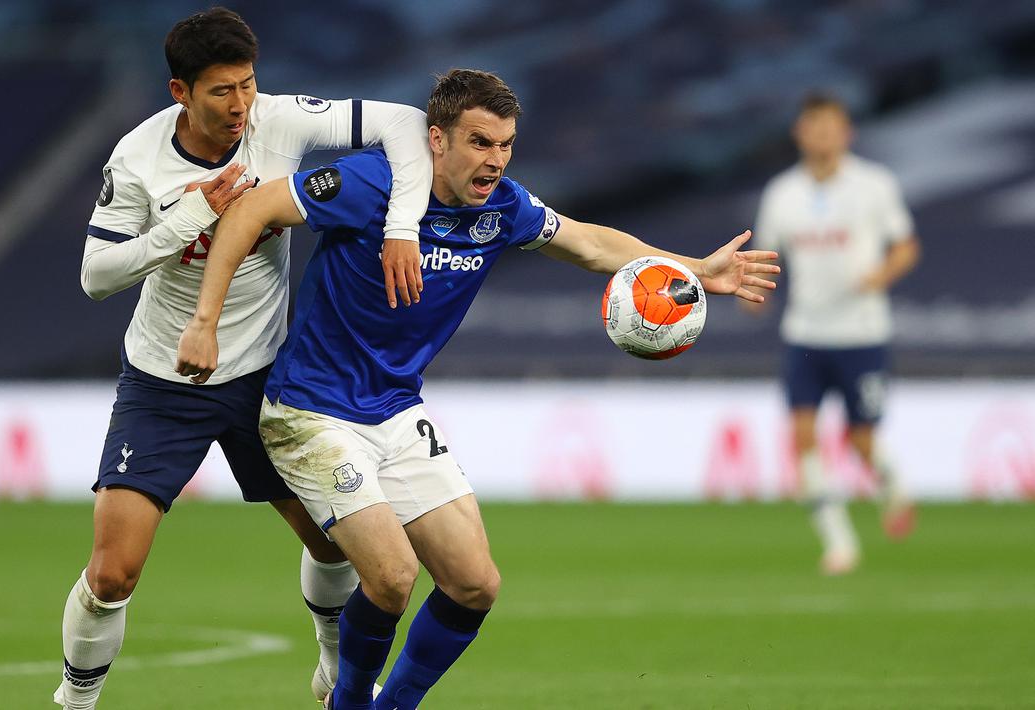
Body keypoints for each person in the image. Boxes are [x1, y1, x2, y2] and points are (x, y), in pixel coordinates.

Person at [175, 68, 779, 710]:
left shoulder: (502, 206)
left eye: (506, 144)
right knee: (392, 577)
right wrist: (205, 321)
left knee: (474, 584)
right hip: (311, 411)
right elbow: (253, 209)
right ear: (436, 140)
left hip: (395, 410)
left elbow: (591, 244)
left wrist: (691, 267)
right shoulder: (371, 183)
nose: (495, 160)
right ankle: (348, 701)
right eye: (480, 142)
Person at [56, 7, 432, 708]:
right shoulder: (137, 159)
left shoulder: (276, 121)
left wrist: (401, 228)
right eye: (220, 92)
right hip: (165, 381)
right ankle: (75, 702)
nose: (240, 106)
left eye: (247, 85)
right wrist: (190, 216)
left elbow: (407, 122)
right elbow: (96, 276)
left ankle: (329, 670)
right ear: (179, 92)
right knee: (112, 575)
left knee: (333, 544)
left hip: (268, 378)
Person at [749, 92, 921, 575]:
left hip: (862, 332)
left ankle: (894, 486)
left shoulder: (873, 185)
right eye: (813, 126)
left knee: (860, 441)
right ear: (799, 133)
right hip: (805, 332)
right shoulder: (782, 193)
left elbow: (906, 247)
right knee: (803, 436)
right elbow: (766, 257)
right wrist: (751, 294)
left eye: (831, 126)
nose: (822, 135)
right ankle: (839, 543)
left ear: (847, 133)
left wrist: (879, 276)